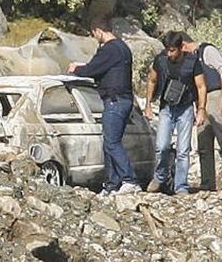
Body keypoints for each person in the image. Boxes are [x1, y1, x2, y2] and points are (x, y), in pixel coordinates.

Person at [68, 18, 141, 195]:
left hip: (114, 101)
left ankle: (129, 180)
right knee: (109, 143)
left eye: (94, 33)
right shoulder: (122, 48)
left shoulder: (109, 49)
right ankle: (111, 184)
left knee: (111, 143)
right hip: (123, 100)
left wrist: (75, 69)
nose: (95, 37)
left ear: (99, 30)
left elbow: (92, 70)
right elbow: (102, 68)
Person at [145, 31, 207, 195]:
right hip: (166, 108)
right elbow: (152, 80)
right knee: (161, 146)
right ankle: (160, 177)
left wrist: (201, 110)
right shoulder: (161, 60)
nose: (169, 53)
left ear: (181, 48)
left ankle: (181, 186)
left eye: (172, 50)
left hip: (185, 109)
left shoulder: (192, 62)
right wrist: (148, 105)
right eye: (167, 50)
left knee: (183, 150)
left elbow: (201, 86)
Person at [182, 34, 222, 191]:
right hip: (201, 101)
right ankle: (207, 182)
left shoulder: (207, 51)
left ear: (184, 45)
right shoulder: (192, 59)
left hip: (215, 95)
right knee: (203, 141)